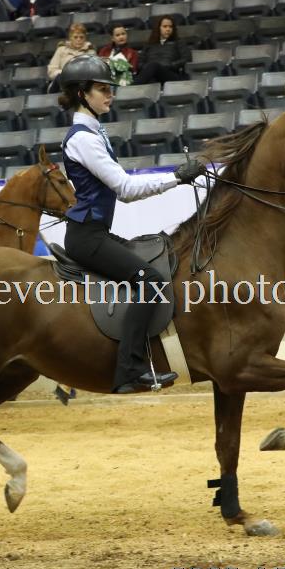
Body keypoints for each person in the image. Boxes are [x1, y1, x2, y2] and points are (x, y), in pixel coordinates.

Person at [57, 55, 206, 394]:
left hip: (96, 232)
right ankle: (129, 370)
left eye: (109, 89)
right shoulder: (83, 138)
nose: (110, 95)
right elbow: (125, 189)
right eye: (102, 89)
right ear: (82, 94)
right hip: (87, 237)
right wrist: (176, 178)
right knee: (151, 282)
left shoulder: (94, 132)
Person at [133, 15, 191, 86]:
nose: (168, 29)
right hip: (152, 74)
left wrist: (171, 65)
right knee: (151, 73)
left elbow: (187, 58)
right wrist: (146, 67)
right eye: (165, 26)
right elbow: (139, 62)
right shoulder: (149, 44)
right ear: (158, 28)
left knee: (154, 66)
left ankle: (131, 88)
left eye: (170, 27)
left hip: (170, 74)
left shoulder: (179, 42)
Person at [48, 23, 96, 92]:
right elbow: (51, 70)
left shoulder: (91, 52)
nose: (78, 39)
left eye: (81, 37)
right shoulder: (61, 50)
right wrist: (66, 73)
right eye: (75, 37)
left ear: (85, 38)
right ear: (70, 38)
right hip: (62, 82)